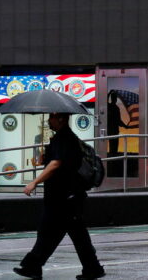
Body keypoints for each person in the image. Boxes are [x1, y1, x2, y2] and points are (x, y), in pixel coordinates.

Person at [13, 112, 105, 279]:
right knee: (67, 234)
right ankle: (92, 268)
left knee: (53, 232)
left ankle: (33, 266)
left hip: (64, 197)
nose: (49, 120)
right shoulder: (63, 139)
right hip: (66, 197)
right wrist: (44, 159)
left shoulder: (65, 138)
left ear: (61, 119)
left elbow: (56, 164)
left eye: (52, 117)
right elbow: (56, 161)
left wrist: (34, 182)